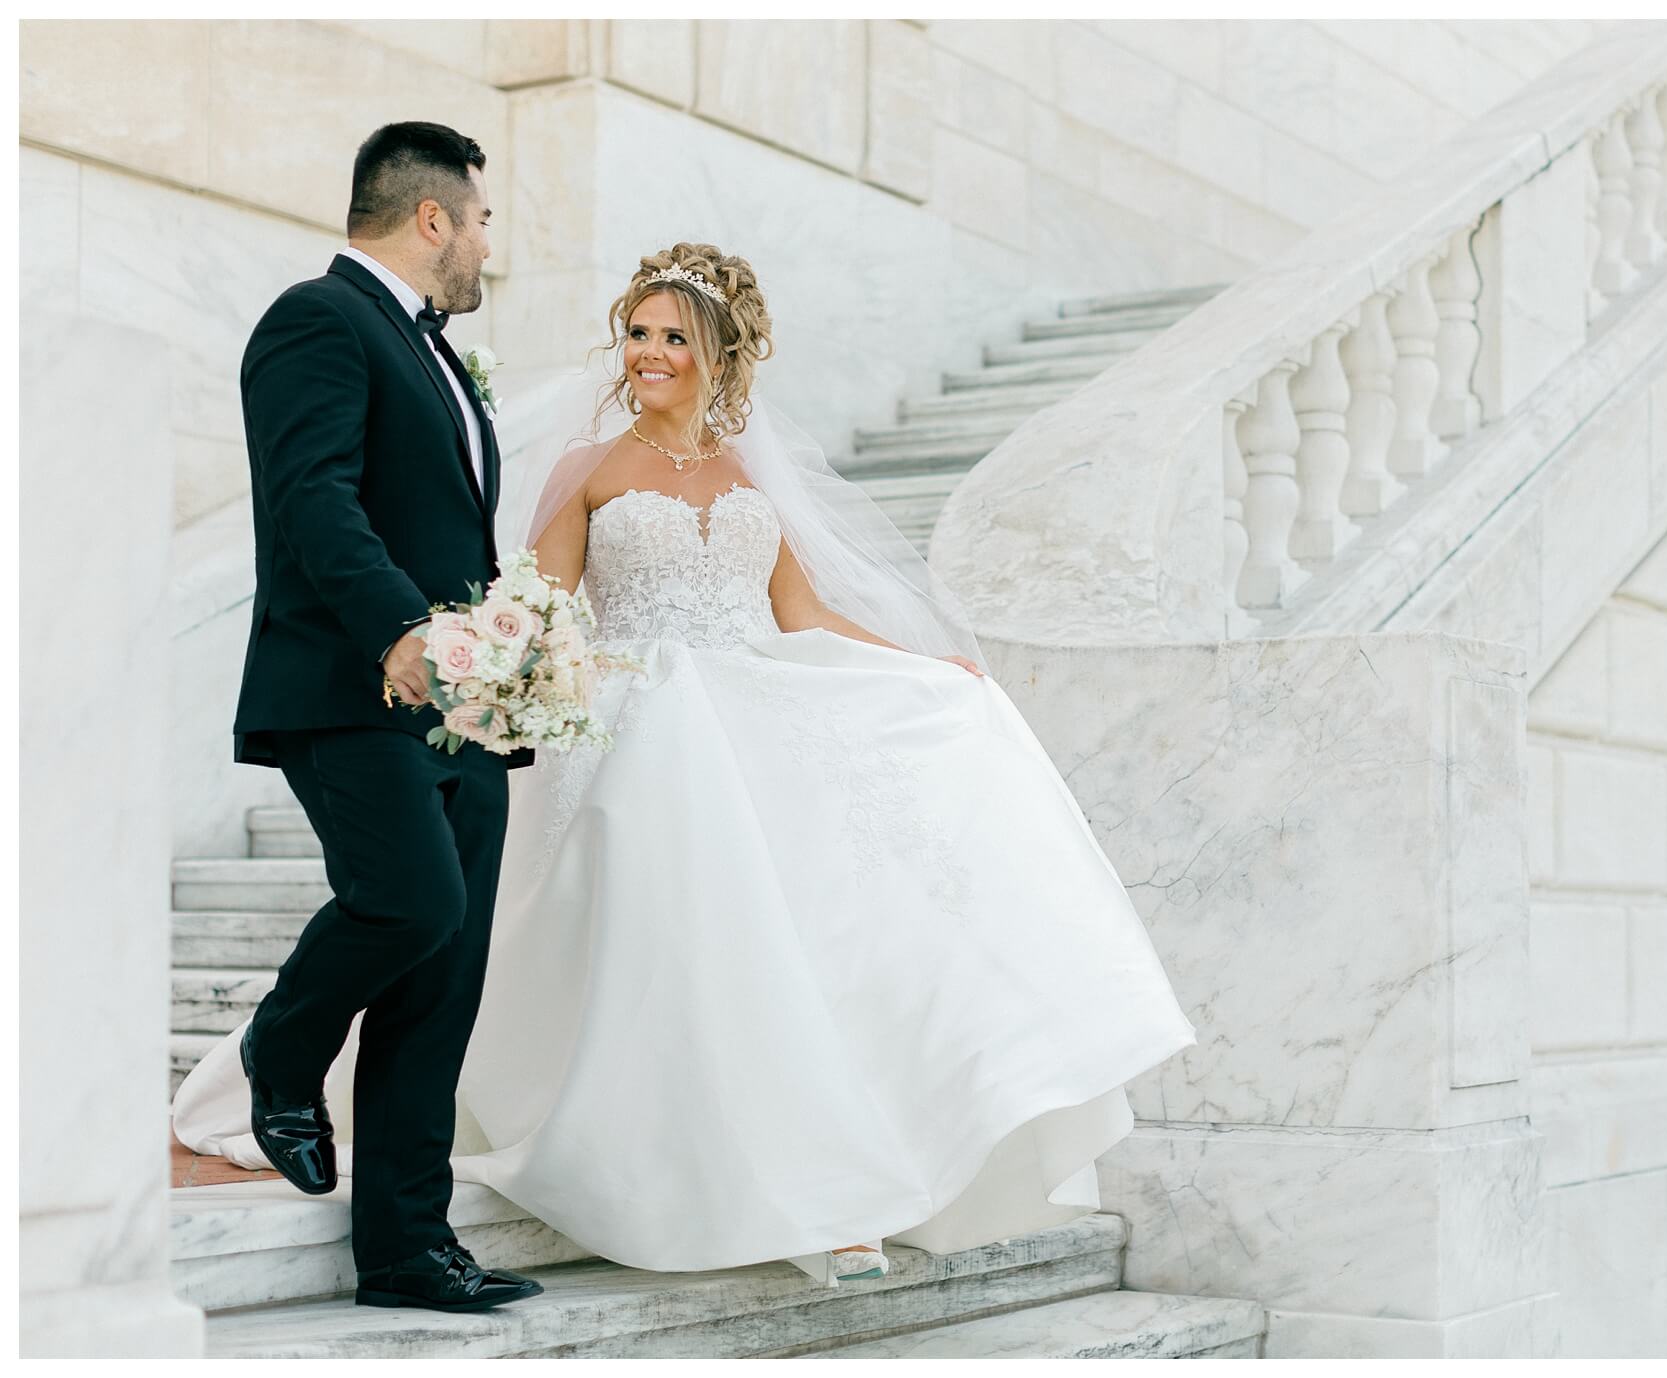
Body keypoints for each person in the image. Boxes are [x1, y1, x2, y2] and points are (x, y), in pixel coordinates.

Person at [178, 239, 1198, 1289]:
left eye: (673, 336)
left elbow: (800, 612)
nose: (649, 352)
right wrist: (498, 674)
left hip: (748, 705)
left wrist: (926, 667)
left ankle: (834, 1171)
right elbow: (539, 606)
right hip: (630, 719)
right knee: (682, 902)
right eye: (637, 331)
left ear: (719, 354)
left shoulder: (752, 470)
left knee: (812, 935)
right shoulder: (587, 468)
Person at [222, 120, 543, 1311]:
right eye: (481, 218)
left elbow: (447, 528)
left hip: (455, 707)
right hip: (352, 687)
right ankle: (282, 1045)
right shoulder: (316, 318)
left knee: (441, 972)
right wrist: (401, 631)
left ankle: (408, 1246)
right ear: (431, 218)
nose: (486, 243)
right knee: (411, 900)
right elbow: (312, 494)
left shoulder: (442, 354)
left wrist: (496, 669)